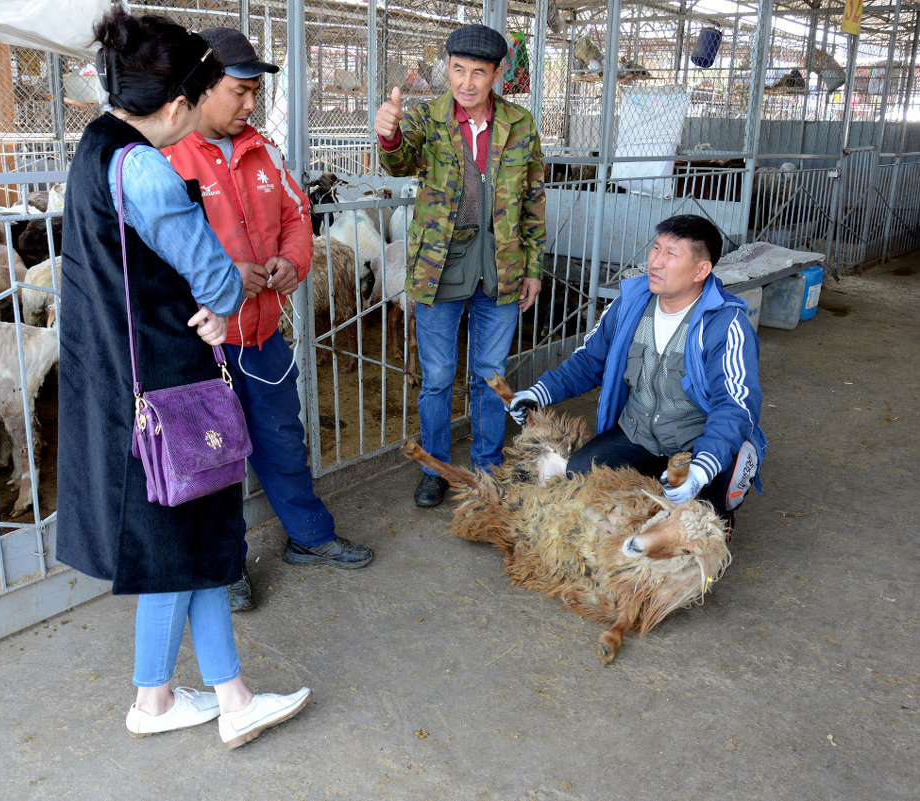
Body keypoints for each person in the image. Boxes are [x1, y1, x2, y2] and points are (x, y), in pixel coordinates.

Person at [55, 9, 310, 748]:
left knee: (194, 539)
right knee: (179, 544)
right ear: (173, 106)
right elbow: (217, 278)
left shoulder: (94, 148)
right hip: (169, 386)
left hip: (123, 376)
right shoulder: (144, 167)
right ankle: (174, 700)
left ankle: (209, 696)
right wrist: (222, 302)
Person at [163, 26, 372, 613]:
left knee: (283, 439)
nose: (252, 104)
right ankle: (223, 566)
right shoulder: (166, 158)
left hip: (260, 335)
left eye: (256, 92)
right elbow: (157, 256)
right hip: (200, 345)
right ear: (201, 87)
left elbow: (298, 216)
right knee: (214, 456)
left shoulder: (264, 152)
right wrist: (227, 278)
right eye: (240, 91)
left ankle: (310, 536)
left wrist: (292, 260)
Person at [373, 23, 547, 509]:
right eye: (458, 70)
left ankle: (489, 469)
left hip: (501, 265)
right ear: (446, 68)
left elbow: (533, 198)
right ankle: (436, 470)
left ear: (496, 75)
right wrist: (388, 136)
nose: (467, 83)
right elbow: (401, 161)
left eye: (479, 73)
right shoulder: (427, 118)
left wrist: (533, 266)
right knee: (437, 377)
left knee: (490, 373)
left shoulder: (520, 124)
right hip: (440, 264)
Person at [506, 214, 766, 524]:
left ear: (701, 269)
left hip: (695, 444)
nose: (656, 262)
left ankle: (726, 493)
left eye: (671, 254)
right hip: (637, 433)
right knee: (578, 475)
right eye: (656, 248)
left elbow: (735, 406)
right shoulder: (629, 306)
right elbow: (589, 361)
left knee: (698, 518)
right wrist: (539, 393)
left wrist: (701, 467)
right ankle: (657, 481)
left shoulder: (725, 324)